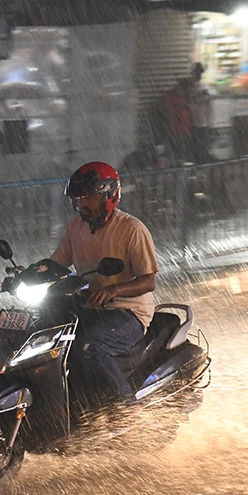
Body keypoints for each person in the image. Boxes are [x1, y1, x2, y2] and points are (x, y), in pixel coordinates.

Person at [48, 161, 159, 408]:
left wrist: (113, 290)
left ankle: (128, 410)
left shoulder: (132, 229)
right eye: (78, 200)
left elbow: (148, 280)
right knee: (52, 339)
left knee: (90, 346)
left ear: (109, 196)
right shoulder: (75, 228)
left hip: (128, 313)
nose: (82, 205)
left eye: (89, 198)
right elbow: (57, 263)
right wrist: (29, 273)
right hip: (89, 307)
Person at [160, 77, 193, 164]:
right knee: (173, 152)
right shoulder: (171, 96)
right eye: (183, 89)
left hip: (186, 129)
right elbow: (167, 109)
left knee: (184, 152)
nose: (184, 91)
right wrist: (179, 108)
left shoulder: (187, 97)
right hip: (174, 129)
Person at [189, 63, 214, 164]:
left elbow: (204, 101)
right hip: (197, 121)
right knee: (199, 145)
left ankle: (200, 163)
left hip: (200, 121)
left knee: (200, 145)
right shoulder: (196, 86)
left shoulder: (201, 86)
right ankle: (200, 162)